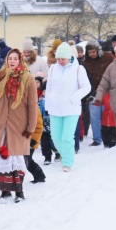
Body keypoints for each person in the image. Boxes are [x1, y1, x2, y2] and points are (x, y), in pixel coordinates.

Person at [0, 49, 38, 202]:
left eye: (15, 58)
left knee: (16, 158)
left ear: (20, 61)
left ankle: (19, 192)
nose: (12, 61)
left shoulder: (28, 78)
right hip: (0, 124)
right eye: (9, 59)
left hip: (19, 125)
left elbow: (33, 106)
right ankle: (4, 190)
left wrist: (30, 128)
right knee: (1, 156)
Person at [45, 43, 90, 172]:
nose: (60, 61)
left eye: (63, 59)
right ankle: (65, 154)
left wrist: (73, 98)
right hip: (55, 108)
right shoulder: (53, 68)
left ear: (69, 57)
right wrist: (49, 103)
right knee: (55, 136)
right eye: (58, 59)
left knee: (67, 136)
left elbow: (86, 87)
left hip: (71, 109)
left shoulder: (78, 69)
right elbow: (49, 88)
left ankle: (67, 162)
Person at [83, 41, 113, 146]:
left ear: (98, 50)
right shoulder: (85, 62)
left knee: (107, 115)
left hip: (107, 91)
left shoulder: (108, 58)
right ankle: (97, 138)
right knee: (94, 116)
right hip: (93, 93)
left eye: (94, 51)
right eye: (89, 52)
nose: (92, 54)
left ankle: (109, 136)